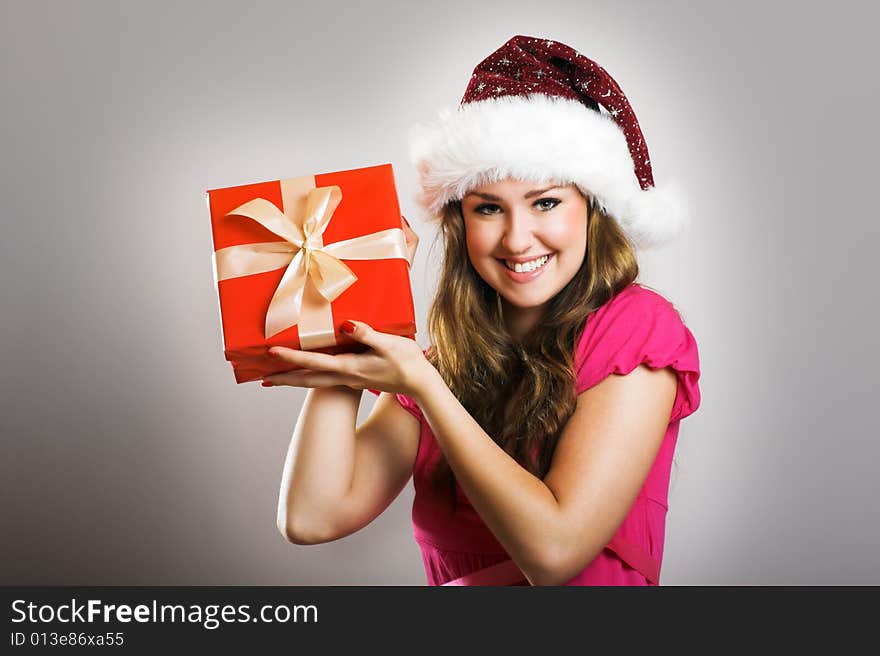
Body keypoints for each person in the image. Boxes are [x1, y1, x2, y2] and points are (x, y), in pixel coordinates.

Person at [264, 35, 701, 586]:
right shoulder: (439, 366)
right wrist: (351, 322)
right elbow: (312, 517)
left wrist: (425, 388)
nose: (518, 240)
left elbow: (554, 552)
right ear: (460, 222)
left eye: (546, 202)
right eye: (489, 208)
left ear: (592, 210)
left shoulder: (635, 330)